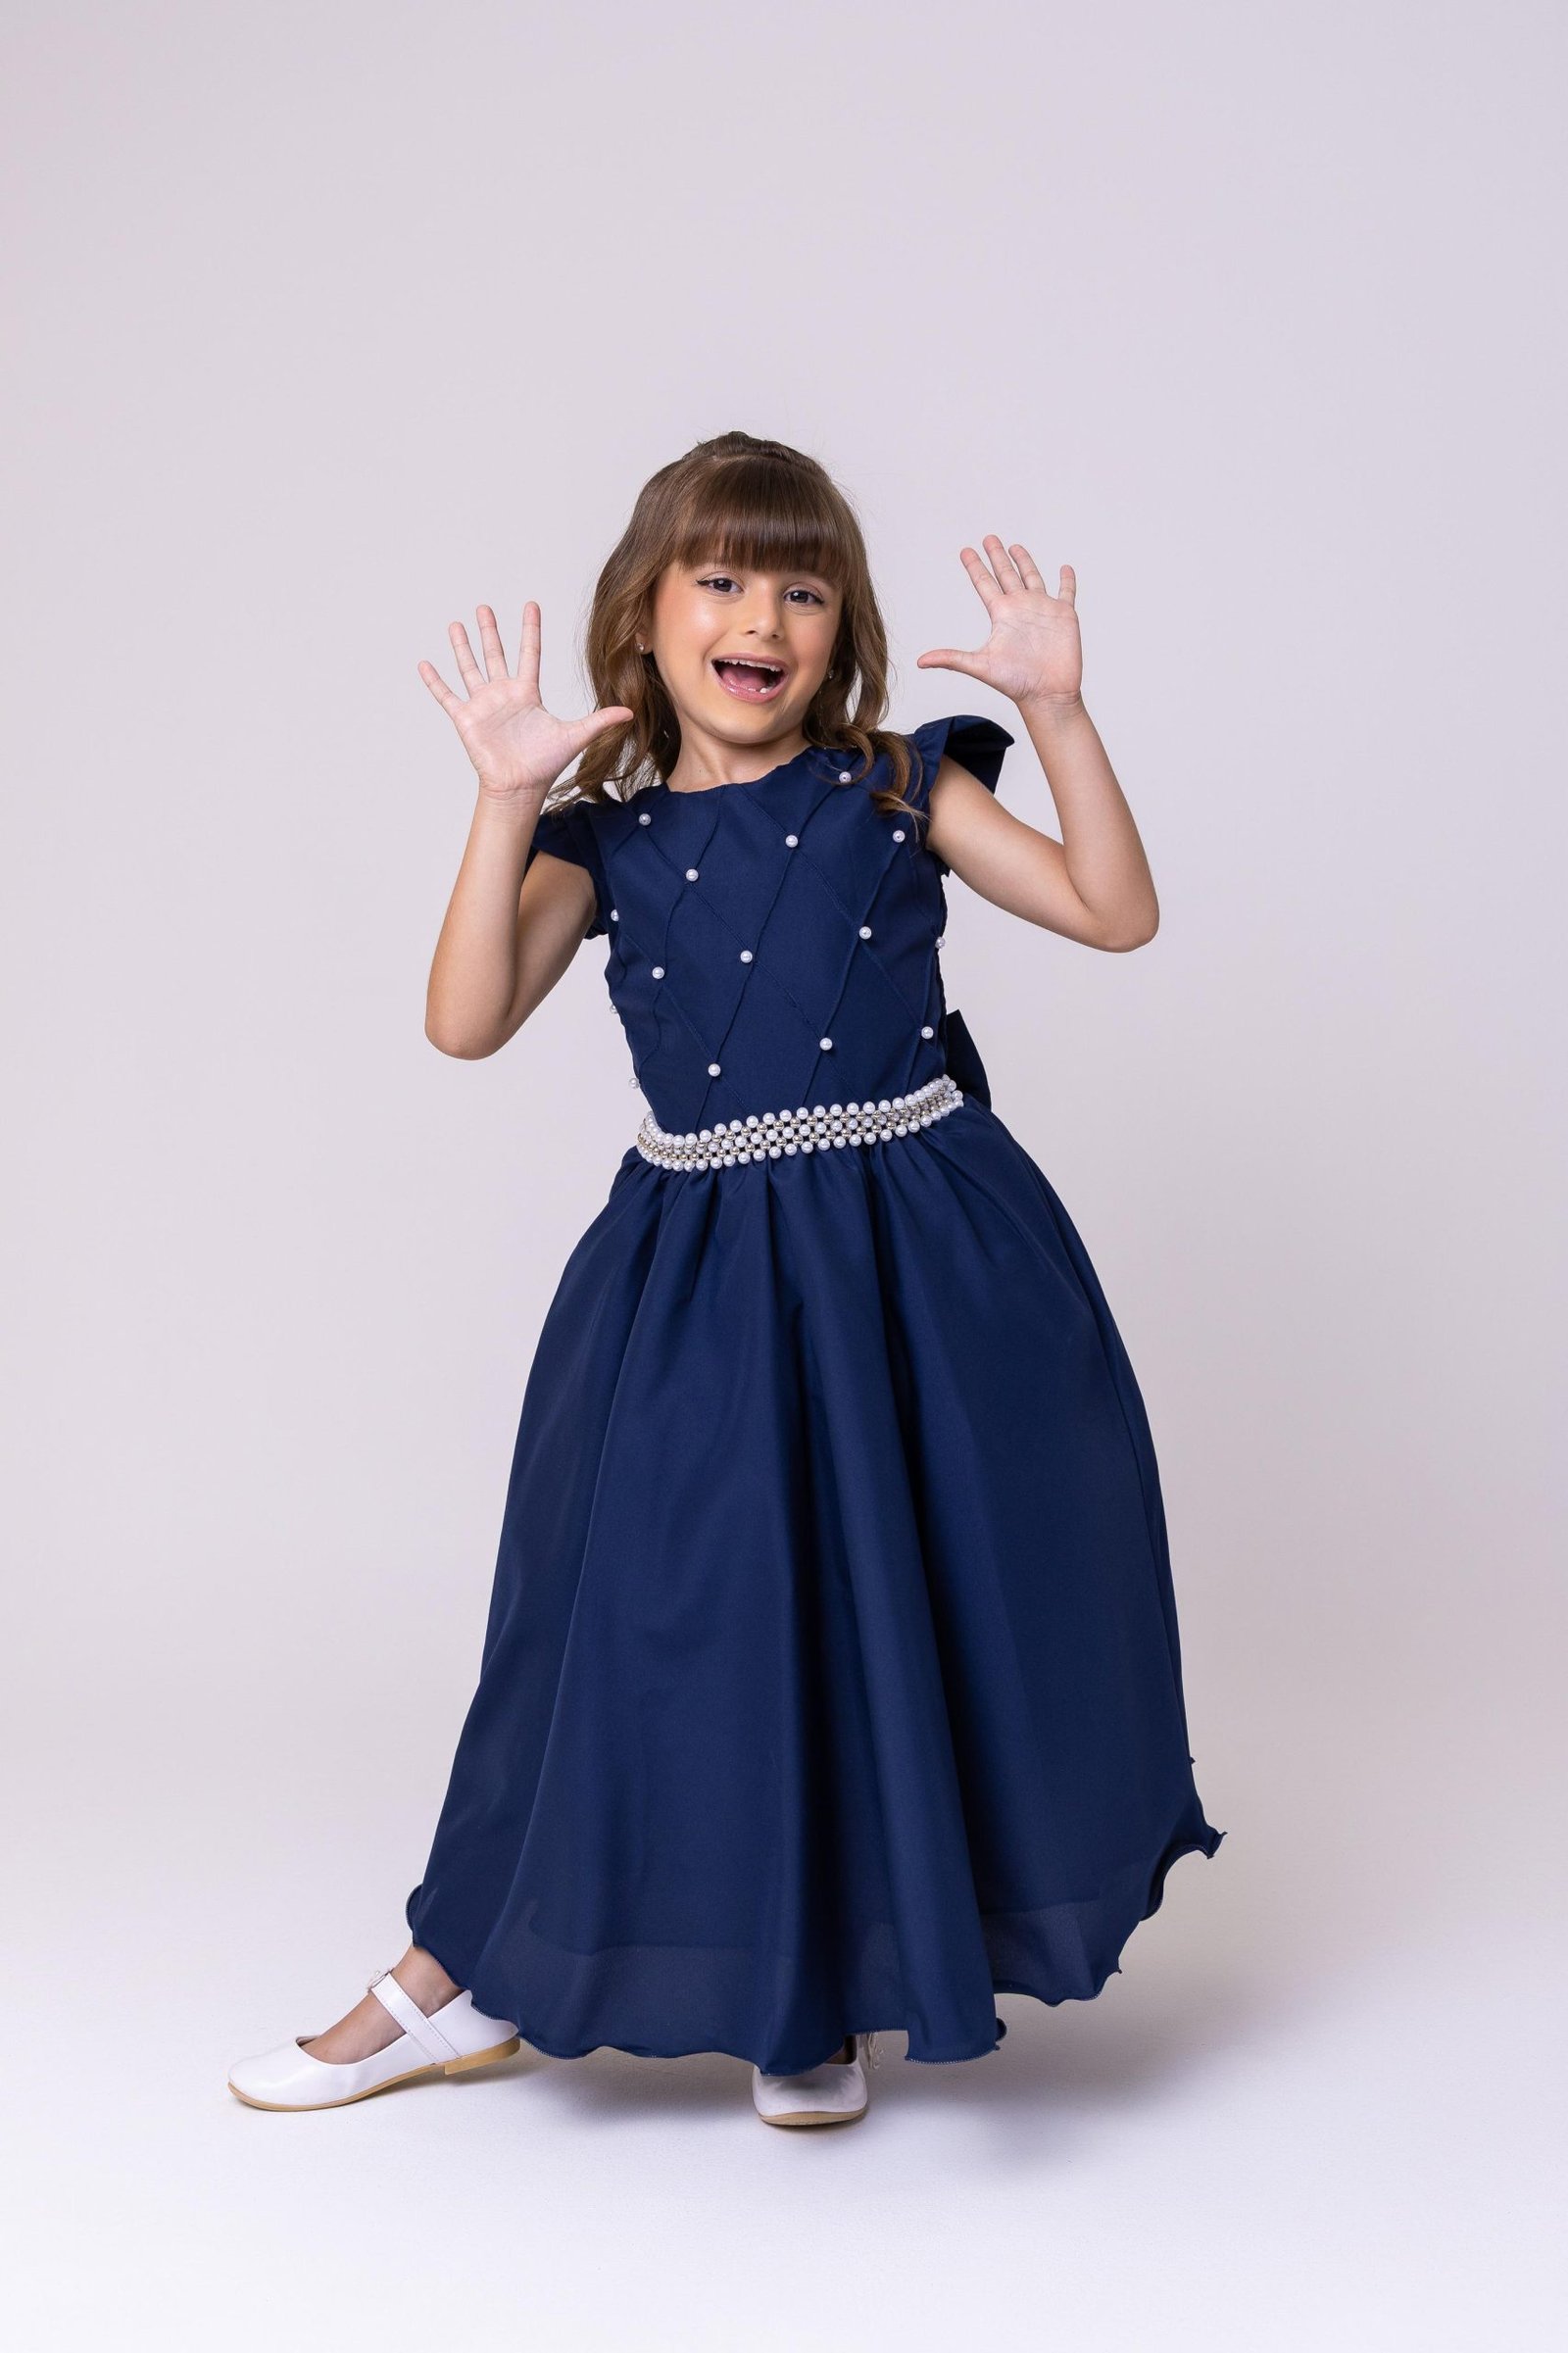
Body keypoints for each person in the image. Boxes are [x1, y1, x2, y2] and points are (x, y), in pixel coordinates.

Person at [228, 430, 1223, 2130]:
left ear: (842, 631)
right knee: (654, 1619)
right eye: (721, 578)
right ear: (647, 611)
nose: (761, 617)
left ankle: (811, 1995)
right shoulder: (600, 840)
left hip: (914, 1264)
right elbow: (464, 1020)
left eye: (803, 588)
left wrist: (1059, 710)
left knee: (883, 1603)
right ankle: (450, 1983)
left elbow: (1112, 910)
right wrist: (502, 799)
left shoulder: (900, 787)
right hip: (694, 1281)